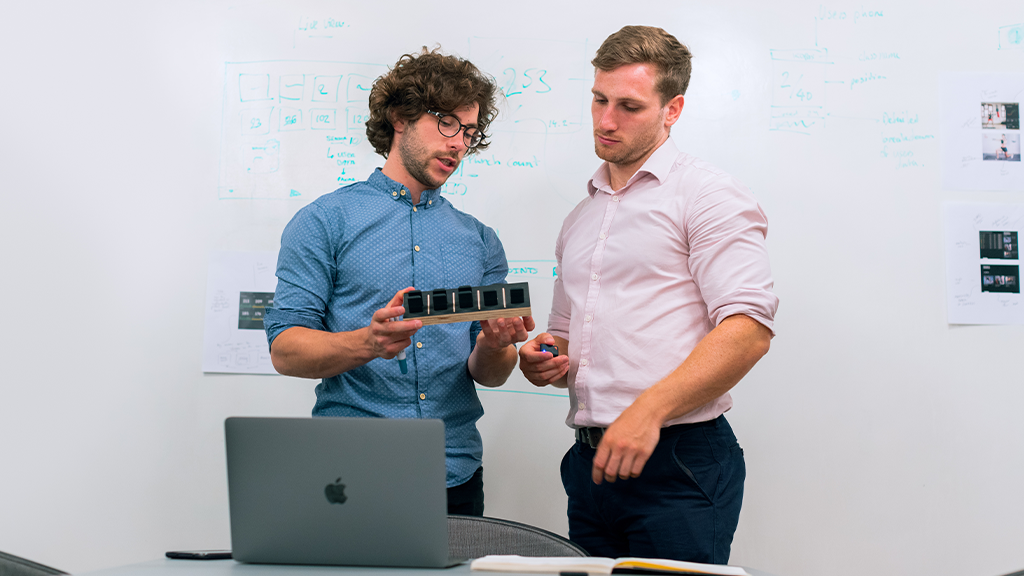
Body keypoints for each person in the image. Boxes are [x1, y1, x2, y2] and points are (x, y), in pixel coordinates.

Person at [518, 26, 779, 563]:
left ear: (672, 109)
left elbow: (748, 330)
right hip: (590, 465)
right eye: (599, 99)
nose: (606, 120)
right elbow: (564, 336)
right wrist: (545, 356)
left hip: (678, 463)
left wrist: (648, 412)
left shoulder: (708, 196)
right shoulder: (581, 217)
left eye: (629, 106)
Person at [264, 48, 533, 516]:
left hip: (455, 474)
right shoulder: (324, 221)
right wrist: (367, 343)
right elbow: (285, 350)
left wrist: (495, 346)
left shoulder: (480, 240)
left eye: (469, 132)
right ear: (400, 117)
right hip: (349, 473)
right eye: (447, 123)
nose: (459, 144)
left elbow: (490, 373)